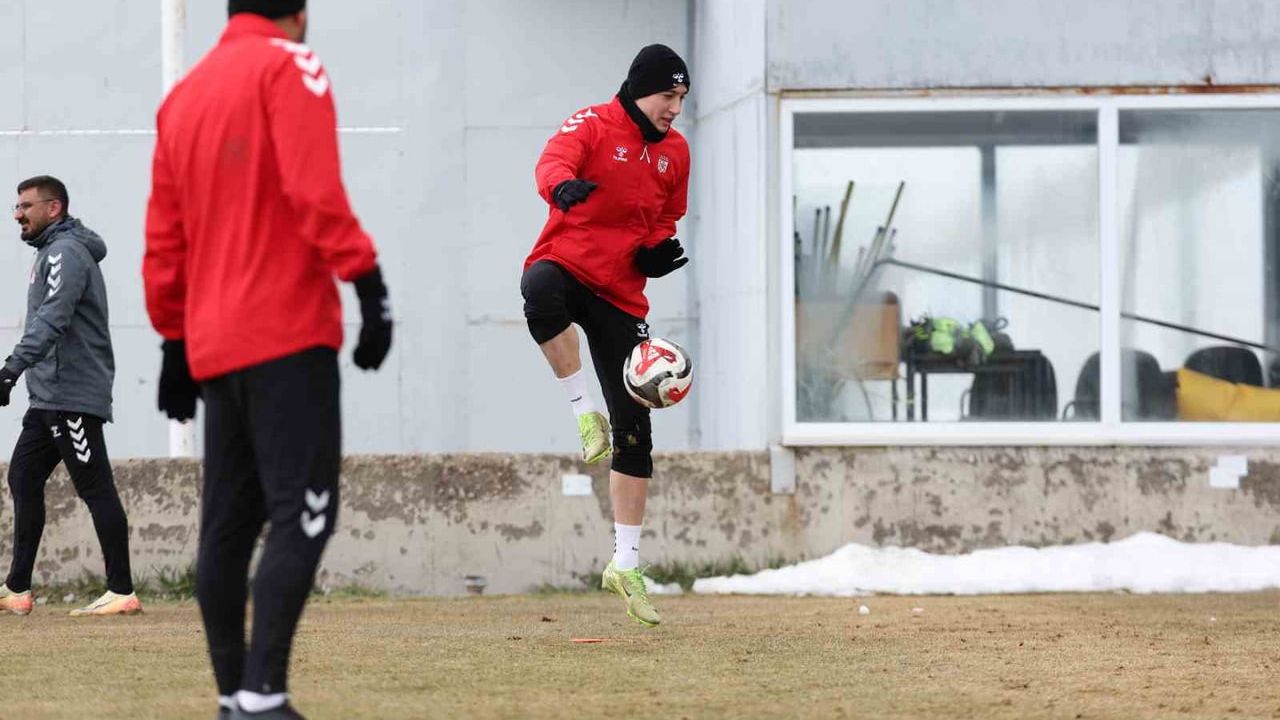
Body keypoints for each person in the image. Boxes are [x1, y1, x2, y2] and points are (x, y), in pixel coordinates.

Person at [142, 2, 392, 718]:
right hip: (287, 336)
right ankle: (261, 695)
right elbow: (313, 190)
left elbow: (165, 235)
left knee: (226, 526)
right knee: (303, 514)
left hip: (215, 346)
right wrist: (368, 285)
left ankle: (234, 697)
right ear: (299, 12)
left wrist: (172, 339)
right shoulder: (291, 65)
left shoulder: (183, 94)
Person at [520, 44, 691, 627]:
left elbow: (668, 214)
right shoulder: (593, 123)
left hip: (622, 293)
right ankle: (580, 410)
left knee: (637, 432)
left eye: (682, 98)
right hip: (570, 265)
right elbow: (553, 159)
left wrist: (654, 252)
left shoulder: (676, 153)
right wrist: (560, 188)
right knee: (539, 291)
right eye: (668, 96)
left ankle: (626, 563)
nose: (675, 109)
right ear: (641, 89)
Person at [0, 175, 140, 618]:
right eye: (16, 207)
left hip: (72, 395)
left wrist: (10, 368)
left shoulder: (64, 253)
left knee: (95, 487)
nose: (18, 214)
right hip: (48, 397)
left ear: (53, 208)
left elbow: (52, 318)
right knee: (23, 478)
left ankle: (121, 591)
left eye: (26, 205)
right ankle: (17, 589)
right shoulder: (49, 253)